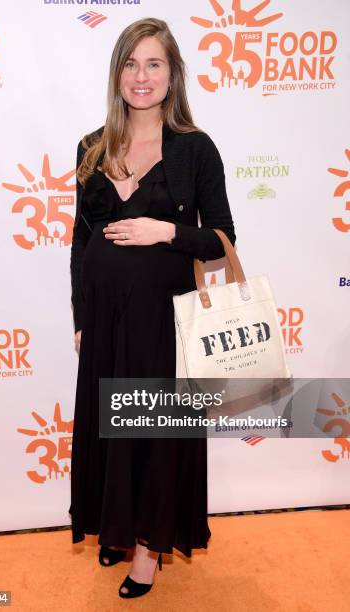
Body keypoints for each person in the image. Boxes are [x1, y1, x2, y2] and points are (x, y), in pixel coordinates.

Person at [69, 17, 236, 599]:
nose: (141, 77)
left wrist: (165, 231)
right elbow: (81, 242)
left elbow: (220, 239)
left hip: (164, 325)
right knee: (112, 430)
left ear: (172, 74)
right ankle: (116, 526)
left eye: (154, 64)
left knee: (155, 433)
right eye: (131, 64)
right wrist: (81, 319)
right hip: (106, 322)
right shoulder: (92, 146)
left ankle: (147, 550)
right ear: (117, 73)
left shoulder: (194, 149)